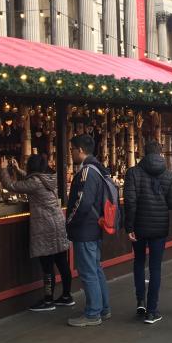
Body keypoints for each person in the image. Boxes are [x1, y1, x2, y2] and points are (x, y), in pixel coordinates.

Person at [0, 154, 74, 311]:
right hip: (58, 224)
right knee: (62, 262)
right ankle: (67, 296)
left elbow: (11, 186)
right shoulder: (48, 178)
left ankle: (48, 300)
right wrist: (18, 169)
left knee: (47, 266)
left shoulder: (35, 182)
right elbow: (32, 180)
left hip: (45, 227)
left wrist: (3, 169)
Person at [124, 140, 172, 325]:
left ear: (143, 153)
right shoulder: (169, 175)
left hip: (138, 226)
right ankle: (152, 310)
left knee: (139, 261)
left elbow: (130, 202)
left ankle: (140, 300)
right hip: (159, 227)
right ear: (161, 153)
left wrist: (129, 227)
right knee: (156, 267)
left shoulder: (133, 172)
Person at [65, 133, 111, 327]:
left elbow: (82, 203)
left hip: (85, 228)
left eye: (72, 150)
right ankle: (103, 308)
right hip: (94, 226)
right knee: (95, 268)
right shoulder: (99, 169)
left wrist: (70, 221)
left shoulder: (87, 172)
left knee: (88, 270)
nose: (71, 153)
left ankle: (93, 313)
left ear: (80, 150)